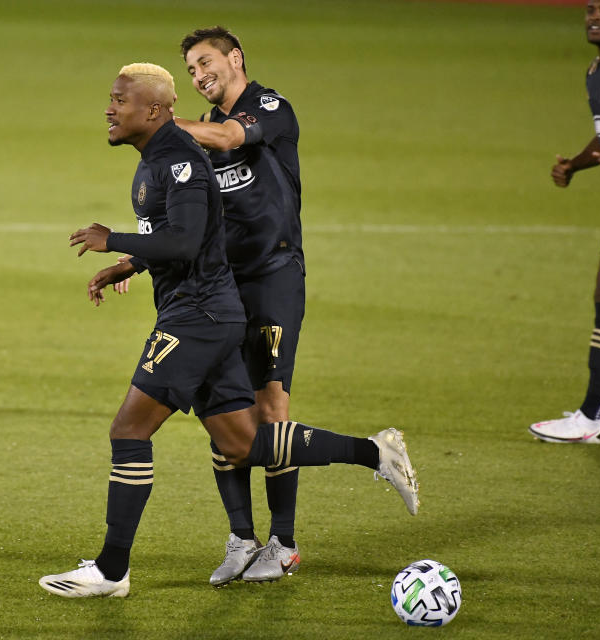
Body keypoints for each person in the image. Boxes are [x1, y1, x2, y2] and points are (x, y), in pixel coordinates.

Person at [38, 63, 419, 599]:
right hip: (205, 315)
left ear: (153, 111)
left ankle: (111, 570)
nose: (109, 108)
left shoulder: (179, 164)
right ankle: (376, 452)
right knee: (244, 444)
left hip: (196, 318)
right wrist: (132, 264)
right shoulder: (158, 160)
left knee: (129, 431)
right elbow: (183, 235)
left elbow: (188, 243)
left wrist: (115, 240)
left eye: (120, 100)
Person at [171, 26, 308, 585]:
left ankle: (284, 541)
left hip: (273, 276)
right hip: (222, 286)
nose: (200, 76)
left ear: (235, 57)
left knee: (271, 406)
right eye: (190, 72)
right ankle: (240, 538)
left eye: (206, 63)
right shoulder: (196, 139)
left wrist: (162, 122)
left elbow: (230, 137)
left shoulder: (268, 107)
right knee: (222, 408)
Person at [530, 0, 600, 445]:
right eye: (589, 9)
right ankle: (592, 415)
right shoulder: (595, 72)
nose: (594, 17)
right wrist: (575, 166)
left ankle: (589, 416)